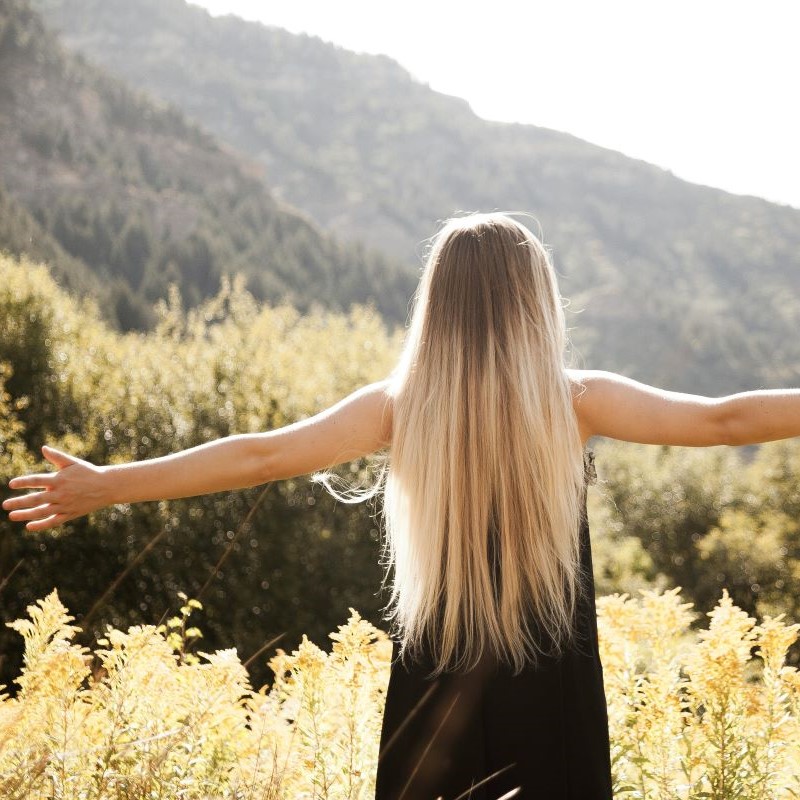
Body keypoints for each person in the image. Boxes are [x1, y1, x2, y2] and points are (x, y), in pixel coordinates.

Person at [4, 212, 800, 799]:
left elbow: (260, 455)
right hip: (554, 690)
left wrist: (109, 483)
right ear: (536, 303)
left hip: (434, 684)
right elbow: (725, 418)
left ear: (438, 303)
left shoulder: (399, 406)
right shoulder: (576, 401)